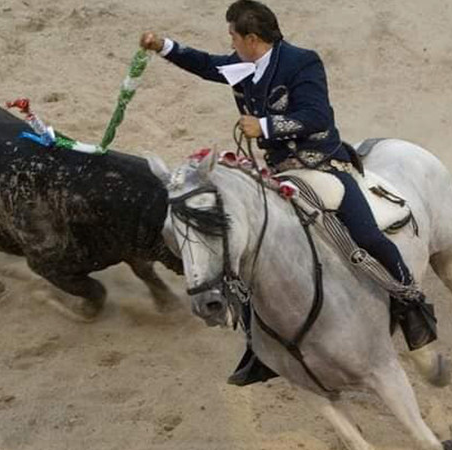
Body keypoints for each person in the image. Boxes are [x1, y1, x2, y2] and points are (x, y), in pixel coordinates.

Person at [140, 0, 436, 387]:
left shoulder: (302, 62)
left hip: (323, 164)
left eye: (233, 36)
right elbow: (207, 65)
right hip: (281, 172)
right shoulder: (243, 64)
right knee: (250, 248)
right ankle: (259, 347)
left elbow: (317, 116)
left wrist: (264, 126)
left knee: (366, 235)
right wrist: (163, 46)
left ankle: (411, 304)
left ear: (252, 38)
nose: (230, 44)